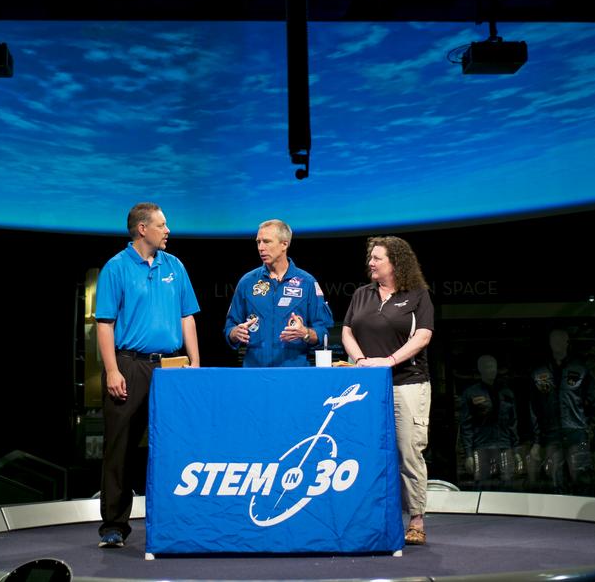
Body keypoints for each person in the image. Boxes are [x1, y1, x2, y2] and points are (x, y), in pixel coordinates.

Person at [94, 203, 200, 549]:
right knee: (120, 447)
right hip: (129, 365)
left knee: (173, 445)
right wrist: (112, 370)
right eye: (162, 224)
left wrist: (195, 363)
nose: (168, 230)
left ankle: (175, 521)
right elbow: (105, 324)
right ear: (143, 229)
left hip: (170, 367)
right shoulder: (116, 267)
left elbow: (187, 317)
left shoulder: (175, 266)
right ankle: (114, 525)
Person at [341, 236, 434, 546]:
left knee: (408, 452)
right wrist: (361, 361)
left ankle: (416, 520)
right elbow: (347, 332)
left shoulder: (417, 295)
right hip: (368, 386)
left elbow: (422, 337)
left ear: (395, 263)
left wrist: (389, 361)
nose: (371, 262)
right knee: (366, 452)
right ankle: (372, 518)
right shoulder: (361, 294)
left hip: (407, 383)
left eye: (377, 258)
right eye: (371, 257)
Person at [224, 219, 333, 367]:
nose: (261, 248)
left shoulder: (307, 283)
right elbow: (230, 327)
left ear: (284, 244)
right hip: (255, 372)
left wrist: (305, 333)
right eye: (258, 242)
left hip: (293, 372)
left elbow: (323, 332)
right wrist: (235, 333)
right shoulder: (247, 282)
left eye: (267, 242)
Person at [527, 328, 595, 492]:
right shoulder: (539, 372)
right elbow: (534, 409)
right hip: (551, 435)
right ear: (549, 343)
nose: (558, 343)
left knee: (582, 478)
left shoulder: (581, 369)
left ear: (567, 343)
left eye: (561, 339)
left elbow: (594, 405)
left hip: (578, 434)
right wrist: (537, 441)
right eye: (554, 340)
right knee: (554, 480)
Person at [459, 354, 521, 488]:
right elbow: (466, 426)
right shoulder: (471, 393)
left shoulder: (506, 393)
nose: (491, 369)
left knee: (507, 485)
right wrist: (468, 454)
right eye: (487, 367)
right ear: (480, 369)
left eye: (493, 366)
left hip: (504, 446)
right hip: (481, 447)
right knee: (483, 486)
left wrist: (516, 450)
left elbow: (513, 423)